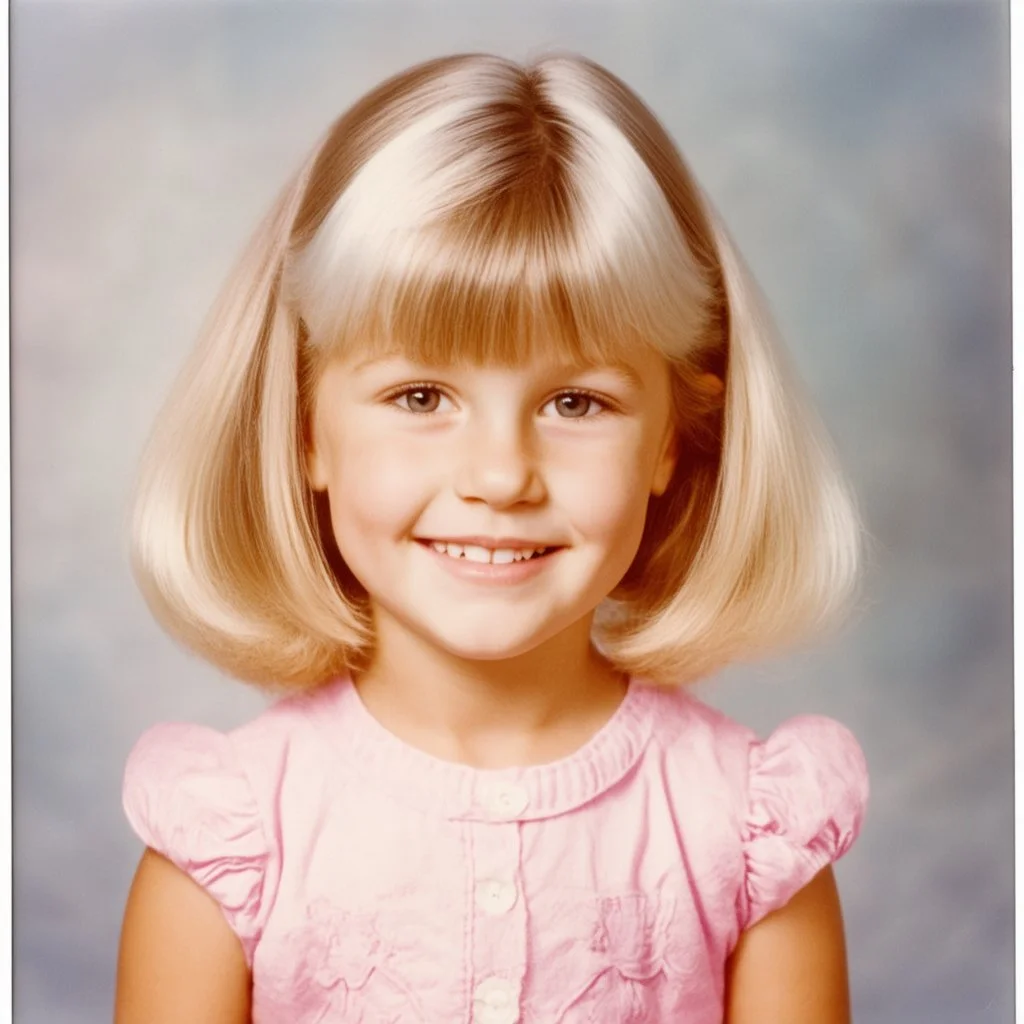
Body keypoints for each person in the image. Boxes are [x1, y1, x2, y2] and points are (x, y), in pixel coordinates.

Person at [114, 52, 869, 1024]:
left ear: (673, 442)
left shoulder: (751, 834)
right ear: (303, 427)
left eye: (574, 400)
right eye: (420, 395)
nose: (499, 475)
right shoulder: (231, 838)